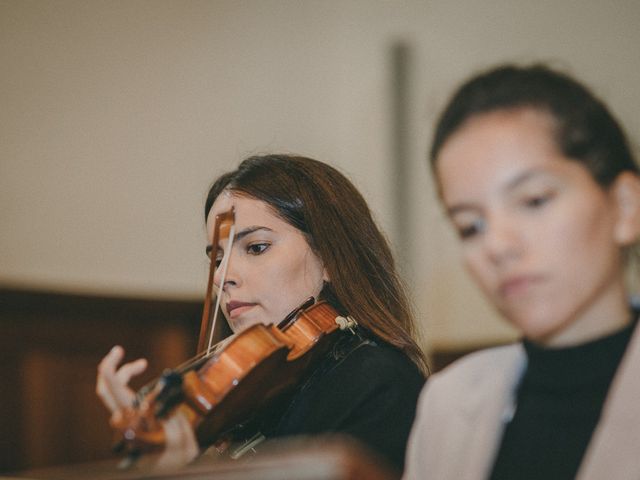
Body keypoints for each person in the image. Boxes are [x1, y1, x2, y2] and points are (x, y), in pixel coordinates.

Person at [97, 154, 427, 473]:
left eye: (256, 247)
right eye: (217, 258)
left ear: (329, 258)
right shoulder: (253, 393)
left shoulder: (378, 382)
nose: (220, 277)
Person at [404, 64, 640, 480]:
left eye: (533, 200)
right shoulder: (447, 403)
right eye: (470, 226)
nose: (497, 245)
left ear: (624, 206)